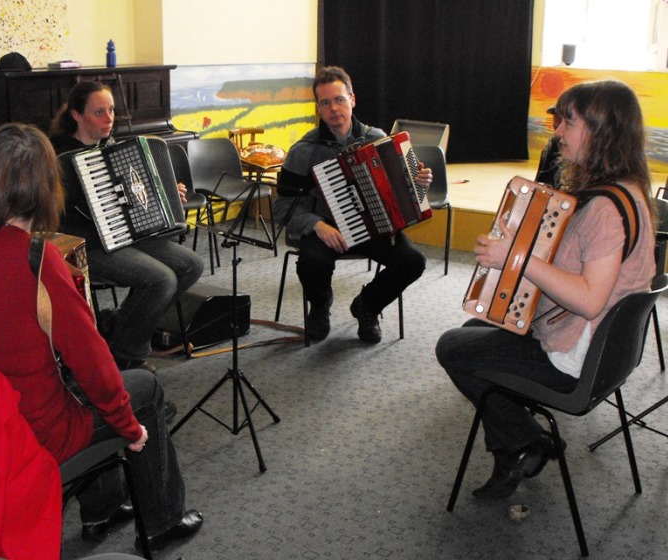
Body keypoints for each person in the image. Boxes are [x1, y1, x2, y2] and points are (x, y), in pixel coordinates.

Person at [0, 123, 203, 550]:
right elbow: (94, 364)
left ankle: (102, 509)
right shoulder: (36, 259)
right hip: (29, 432)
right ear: (47, 190)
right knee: (143, 387)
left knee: (67, 384)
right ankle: (161, 520)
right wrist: (128, 425)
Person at [436, 80, 655, 500]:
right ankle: (520, 436)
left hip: (575, 359)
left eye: (567, 123)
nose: (557, 132)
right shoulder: (629, 191)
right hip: (604, 353)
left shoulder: (606, 209)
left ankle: (524, 441)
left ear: (599, 131)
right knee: (474, 325)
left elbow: (590, 299)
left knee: (451, 347)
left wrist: (515, 259)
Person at [49, 81, 204, 372]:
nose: (109, 119)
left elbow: (138, 199)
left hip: (125, 235)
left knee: (190, 264)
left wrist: (169, 195)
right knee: (161, 279)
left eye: (111, 111)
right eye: (99, 112)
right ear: (76, 115)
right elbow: (54, 217)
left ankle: (121, 324)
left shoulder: (114, 149)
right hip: (86, 244)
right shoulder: (58, 158)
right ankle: (126, 354)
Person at [272, 66, 431, 343]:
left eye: (339, 99)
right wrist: (316, 224)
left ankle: (367, 306)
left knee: (413, 261)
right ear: (318, 108)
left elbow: (403, 192)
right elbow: (281, 207)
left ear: (352, 99)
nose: (333, 108)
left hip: (374, 226)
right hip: (327, 227)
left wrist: (420, 184)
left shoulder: (376, 138)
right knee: (311, 261)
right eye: (325, 102)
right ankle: (320, 306)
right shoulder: (303, 151)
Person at [535, 104, 563, 187]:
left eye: (568, 126)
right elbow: (542, 187)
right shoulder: (553, 147)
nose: (557, 133)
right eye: (555, 128)